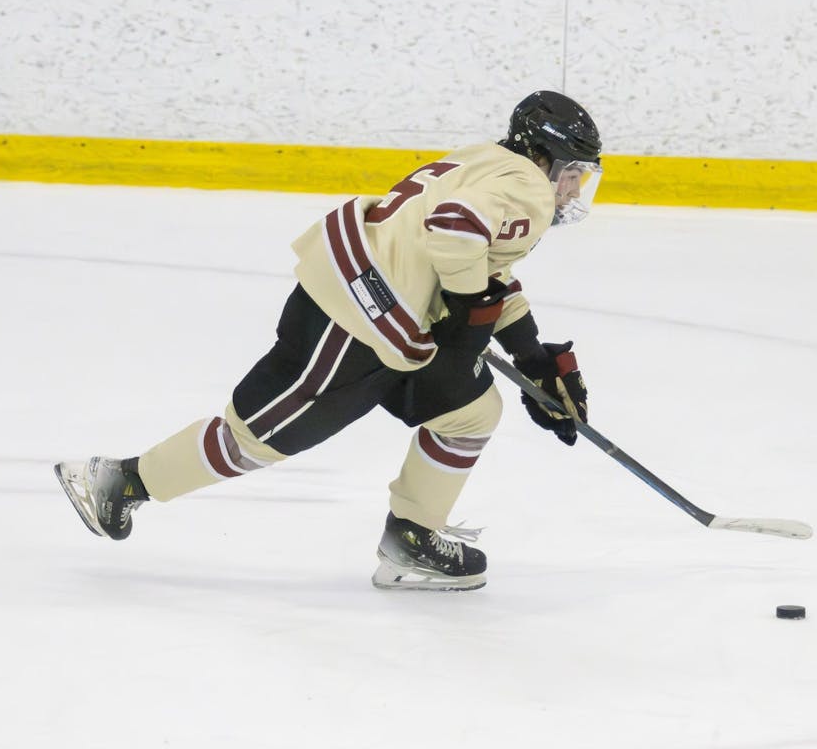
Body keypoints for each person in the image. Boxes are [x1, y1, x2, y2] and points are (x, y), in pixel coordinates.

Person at [55, 91, 603, 591]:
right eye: (572, 173)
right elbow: (455, 228)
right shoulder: (529, 187)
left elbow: (486, 272)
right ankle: (121, 481)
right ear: (542, 156)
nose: (573, 189)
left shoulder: (485, 158)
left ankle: (412, 538)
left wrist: (533, 358)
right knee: (254, 439)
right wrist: (466, 305)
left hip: (383, 312)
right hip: (358, 318)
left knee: (472, 411)